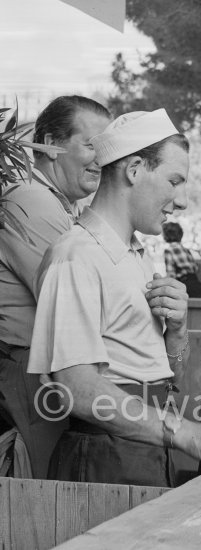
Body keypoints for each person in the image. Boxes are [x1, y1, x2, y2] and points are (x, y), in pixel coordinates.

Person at [27, 109, 201, 486]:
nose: (182, 201)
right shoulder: (76, 256)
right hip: (105, 457)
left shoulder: (138, 256)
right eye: (175, 181)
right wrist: (191, 434)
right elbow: (76, 389)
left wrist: (175, 332)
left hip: (146, 446)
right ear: (134, 169)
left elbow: (168, 377)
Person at [0, 95, 111, 478]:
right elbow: (80, 302)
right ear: (49, 142)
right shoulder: (31, 199)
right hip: (29, 371)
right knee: (44, 492)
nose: (102, 158)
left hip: (44, 370)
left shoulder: (59, 203)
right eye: (91, 145)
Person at [162, 221, 201, 298]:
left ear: (165, 235)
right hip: (197, 285)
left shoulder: (169, 251)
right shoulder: (186, 250)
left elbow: (171, 275)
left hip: (185, 287)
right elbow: (195, 268)